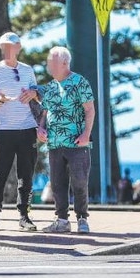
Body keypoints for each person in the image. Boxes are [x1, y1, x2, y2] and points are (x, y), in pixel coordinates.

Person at [0, 32, 40, 232]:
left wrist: (33, 93)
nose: (8, 50)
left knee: (27, 174)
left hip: (27, 129)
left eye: (11, 46)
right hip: (3, 130)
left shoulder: (27, 70)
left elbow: (38, 97)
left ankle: (24, 215)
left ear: (18, 48)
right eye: (4, 46)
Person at [37, 46, 95, 234]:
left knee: (79, 182)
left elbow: (89, 110)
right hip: (54, 143)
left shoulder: (80, 82)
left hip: (77, 143)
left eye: (52, 62)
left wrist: (86, 134)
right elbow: (45, 112)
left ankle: (82, 219)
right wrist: (40, 127)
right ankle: (61, 220)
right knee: (57, 183)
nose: (49, 65)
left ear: (64, 63)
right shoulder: (51, 86)